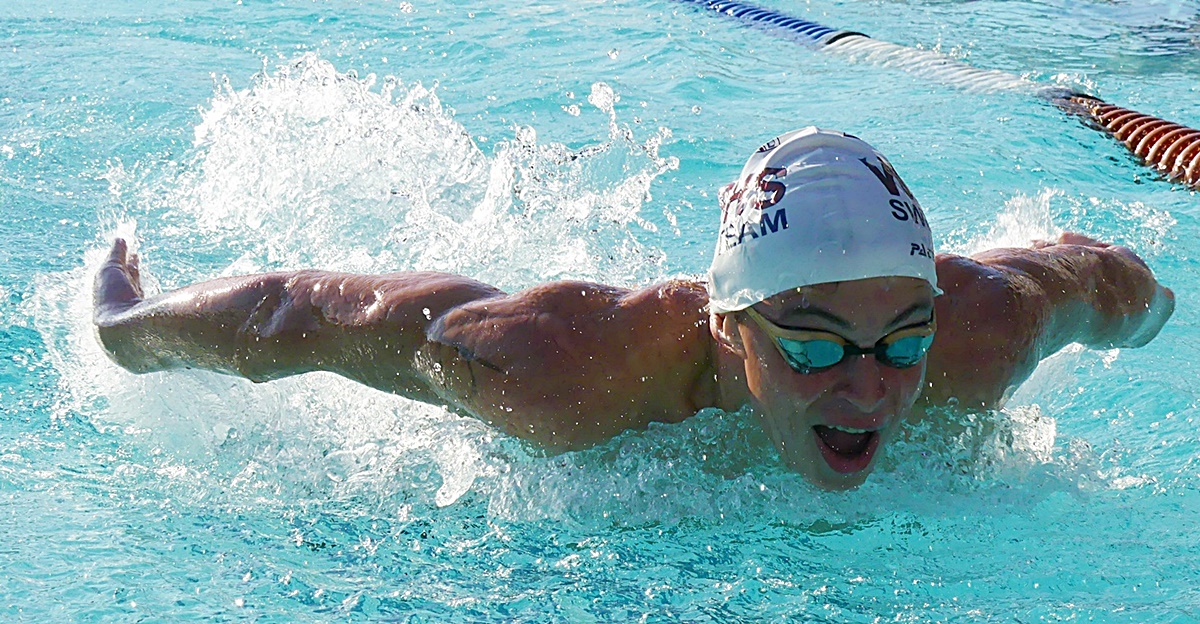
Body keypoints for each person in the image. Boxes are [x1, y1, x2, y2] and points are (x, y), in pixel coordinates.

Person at [93, 127, 1174, 490]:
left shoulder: (984, 334)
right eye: (814, 343)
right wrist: (125, 332)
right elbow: (295, 315)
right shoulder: (564, 373)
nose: (871, 384)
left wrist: (1158, 307)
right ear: (727, 323)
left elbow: (1103, 278)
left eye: (904, 339)